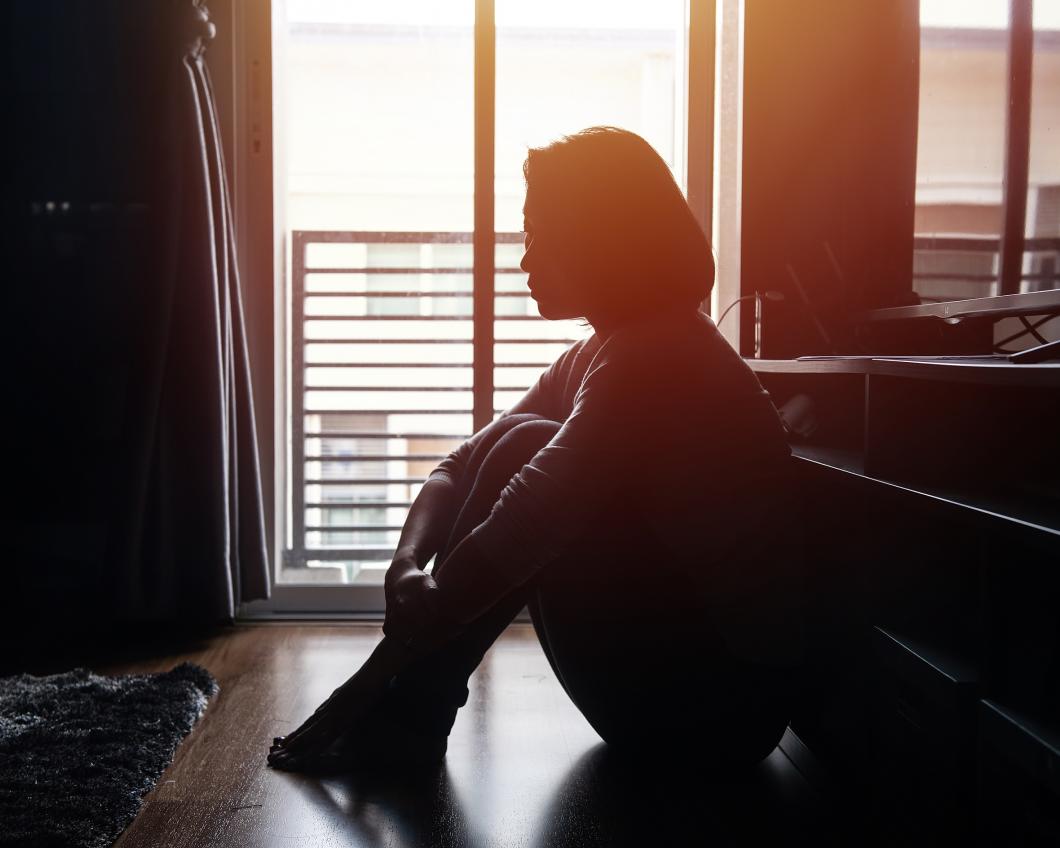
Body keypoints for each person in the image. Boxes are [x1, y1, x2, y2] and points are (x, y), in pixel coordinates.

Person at [268, 126, 803, 775]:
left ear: (601, 238)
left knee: (527, 448)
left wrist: (372, 678)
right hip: (681, 690)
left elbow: (524, 524)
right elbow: (461, 464)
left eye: (539, 232)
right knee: (520, 440)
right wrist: (405, 562)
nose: (525, 258)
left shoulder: (658, 356)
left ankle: (408, 718)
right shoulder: (605, 350)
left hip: (721, 711)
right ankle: (410, 715)